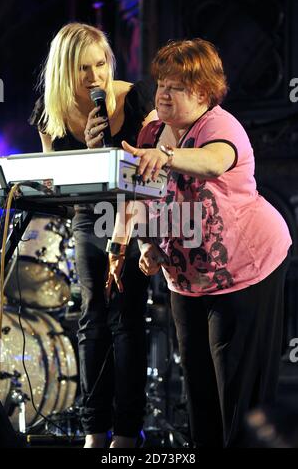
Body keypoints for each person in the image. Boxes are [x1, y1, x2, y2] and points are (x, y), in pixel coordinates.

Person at [107, 38, 292, 447]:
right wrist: (144, 246)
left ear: (204, 93)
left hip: (247, 269)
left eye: (177, 87)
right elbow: (141, 195)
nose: (163, 94)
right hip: (187, 281)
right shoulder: (152, 131)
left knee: (239, 398)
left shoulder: (219, 125)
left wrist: (168, 157)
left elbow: (213, 161)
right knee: (200, 395)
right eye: (161, 84)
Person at [29, 22, 157, 448]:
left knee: (128, 318)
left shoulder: (137, 96)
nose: (95, 76)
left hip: (135, 212)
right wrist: (88, 155)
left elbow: (161, 163)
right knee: (93, 320)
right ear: (66, 70)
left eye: (100, 63)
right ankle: (94, 429)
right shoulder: (53, 114)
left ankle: (127, 431)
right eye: (83, 68)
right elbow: (55, 188)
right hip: (89, 217)